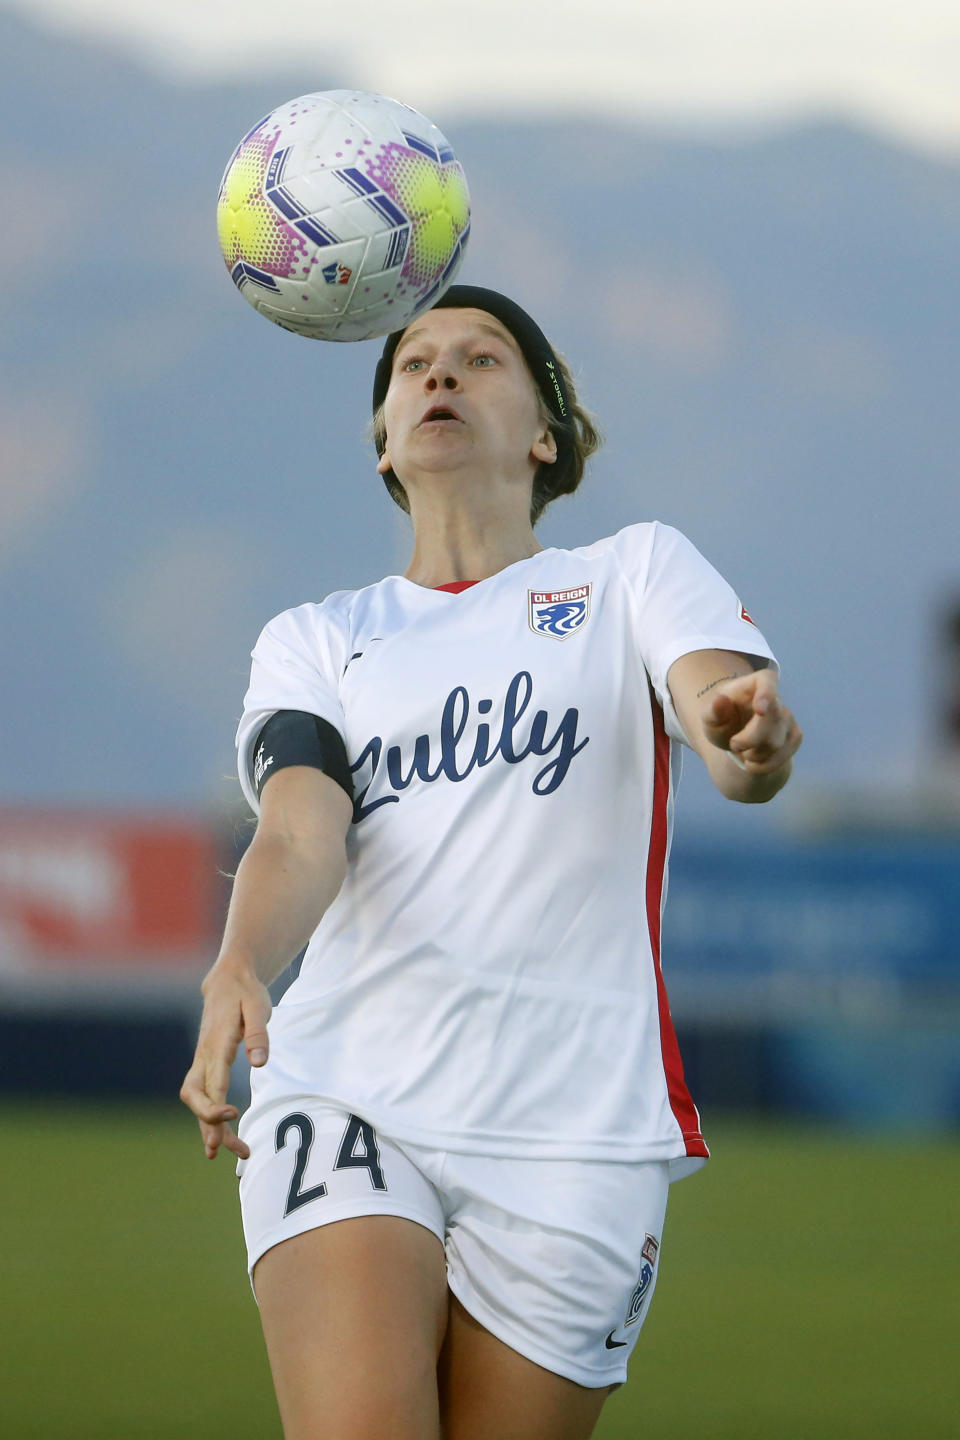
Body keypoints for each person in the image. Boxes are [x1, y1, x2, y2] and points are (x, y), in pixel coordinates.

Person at [180, 284, 802, 1440]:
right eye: (414, 363)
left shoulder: (633, 574)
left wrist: (743, 733)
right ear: (383, 443)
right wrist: (238, 964)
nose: (440, 374)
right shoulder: (317, 639)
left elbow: (725, 717)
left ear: (545, 432)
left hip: (578, 1135)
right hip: (348, 1091)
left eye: (481, 357)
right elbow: (302, 828)